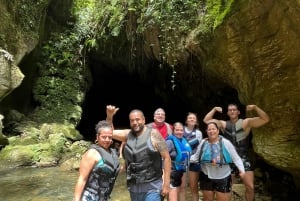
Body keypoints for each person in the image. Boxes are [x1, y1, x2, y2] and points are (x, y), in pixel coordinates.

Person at [203, 104, 270, 201]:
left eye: (234, 110)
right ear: (227, 113)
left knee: (250, 187)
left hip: (243, 157)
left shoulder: (246, 122)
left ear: (238, 112)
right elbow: (206, 120)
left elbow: (265, 119)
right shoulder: (223, 124)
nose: (232, 111)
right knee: (227, 187)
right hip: (229, 158)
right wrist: (214, 109)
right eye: (230, 110)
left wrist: (255, 107)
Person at [106, 105, 171, 201]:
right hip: (134, 188)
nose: (135, 123)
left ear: (144, 120)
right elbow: (108, 133)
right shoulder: (127, 135)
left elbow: (167, 158)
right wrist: (109, 117)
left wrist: (166, 184)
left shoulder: (154, 134)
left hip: (153, 187)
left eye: (137, 119)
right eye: (132, 120)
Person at [190, 122, 245, 201]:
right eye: (209, 129)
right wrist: (182, 160)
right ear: (206, 131)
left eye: (213, 129)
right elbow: (195, 157)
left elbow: (236, 158)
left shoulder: (226, 143)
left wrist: (242, 170)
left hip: (223, 176)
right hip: (206, 175)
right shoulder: (203, 143)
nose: (211, 131)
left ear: (218, 131)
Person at [73, 120, 120, 201]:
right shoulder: (91, 154)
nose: (107, 140)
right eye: (104, 137)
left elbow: (114, 170)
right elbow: (82, 179)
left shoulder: (112, 153)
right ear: (97, 137)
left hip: (103, 196)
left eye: (109, 137)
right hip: (89, 196)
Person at [179, 112, 203, 201]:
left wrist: (192, 159)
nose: (192, 119)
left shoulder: (198, 133)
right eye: (190, 118)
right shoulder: (181, 131)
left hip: (194, 162)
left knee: (194, 187)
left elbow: (199, 149)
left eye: (194, 118)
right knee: (182, 187)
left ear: (196, 121)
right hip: (182, 162)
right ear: (186, 121)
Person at [165, 122, 192, 201]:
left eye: (181, 130)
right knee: (173, 195)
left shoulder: (184, 141)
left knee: (182, 190)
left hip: (182, 170)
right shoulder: (169, 142)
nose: (179, 132)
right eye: (177, 130)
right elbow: (162, 157)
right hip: (172, 172)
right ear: (173, 131)